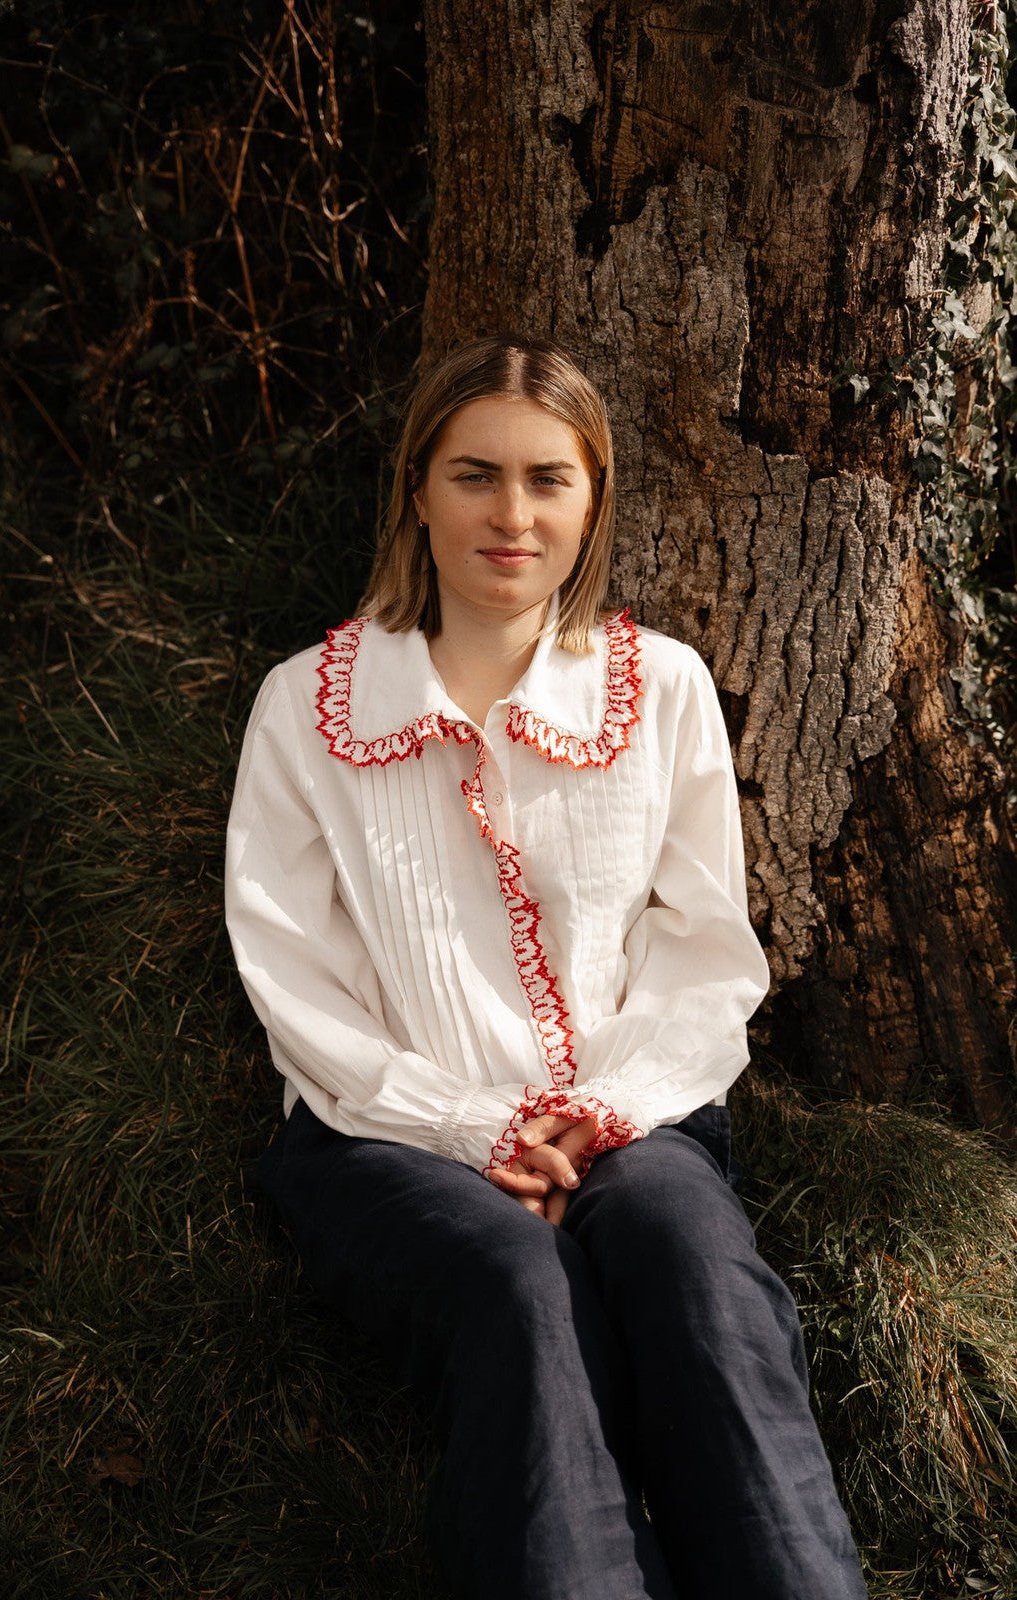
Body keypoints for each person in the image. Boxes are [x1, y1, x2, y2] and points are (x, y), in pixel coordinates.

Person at [225, 335, 868, 1600]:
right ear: (417, 490)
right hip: (381, 1135)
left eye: (546, 479)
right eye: (474, 475)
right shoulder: (306, 706)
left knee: (691, 1262)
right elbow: (292, 977)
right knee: (520, 1286)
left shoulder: (660, 688)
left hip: (628, 1117)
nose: (510, 515)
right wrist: (470, 1128)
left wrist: (602, 1110)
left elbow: (702, 951)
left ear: (592, 500)